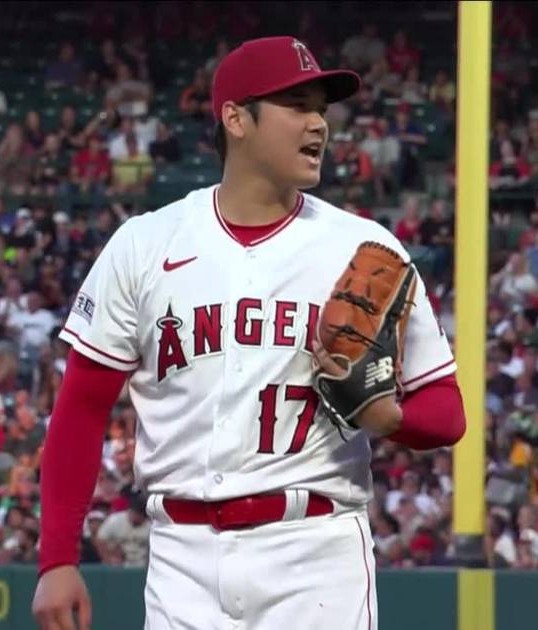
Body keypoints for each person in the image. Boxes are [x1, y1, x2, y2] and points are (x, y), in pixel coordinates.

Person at [32, 37, 467, 630]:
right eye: (297, 106)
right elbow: (81, 408)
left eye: (321, 110)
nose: (318, 124)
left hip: (314, 552)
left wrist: (388, 417)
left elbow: (447, 413)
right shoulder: (146, 244)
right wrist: (57, 558)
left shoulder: (363, 249)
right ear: (236, 119)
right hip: (182, 556)